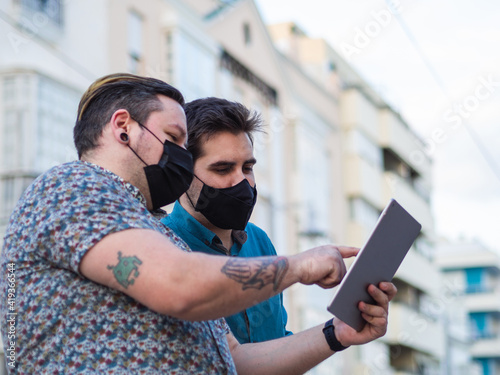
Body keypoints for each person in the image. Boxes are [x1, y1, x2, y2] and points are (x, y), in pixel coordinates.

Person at [0, 73, 396, 374]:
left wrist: (336, 334)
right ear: (123, 128)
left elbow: (237, 359)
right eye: (173, 138)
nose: (182, 158)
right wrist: (297, 267)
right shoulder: (75, 187)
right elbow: (178, 284)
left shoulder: (154, 231)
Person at [162, 97, 293, 344]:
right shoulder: (161, 245)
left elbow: (278, 339)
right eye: (222, 169)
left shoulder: (260, 241)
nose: (241, 182)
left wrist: (342, 327)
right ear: (182, 173)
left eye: (247, 168)